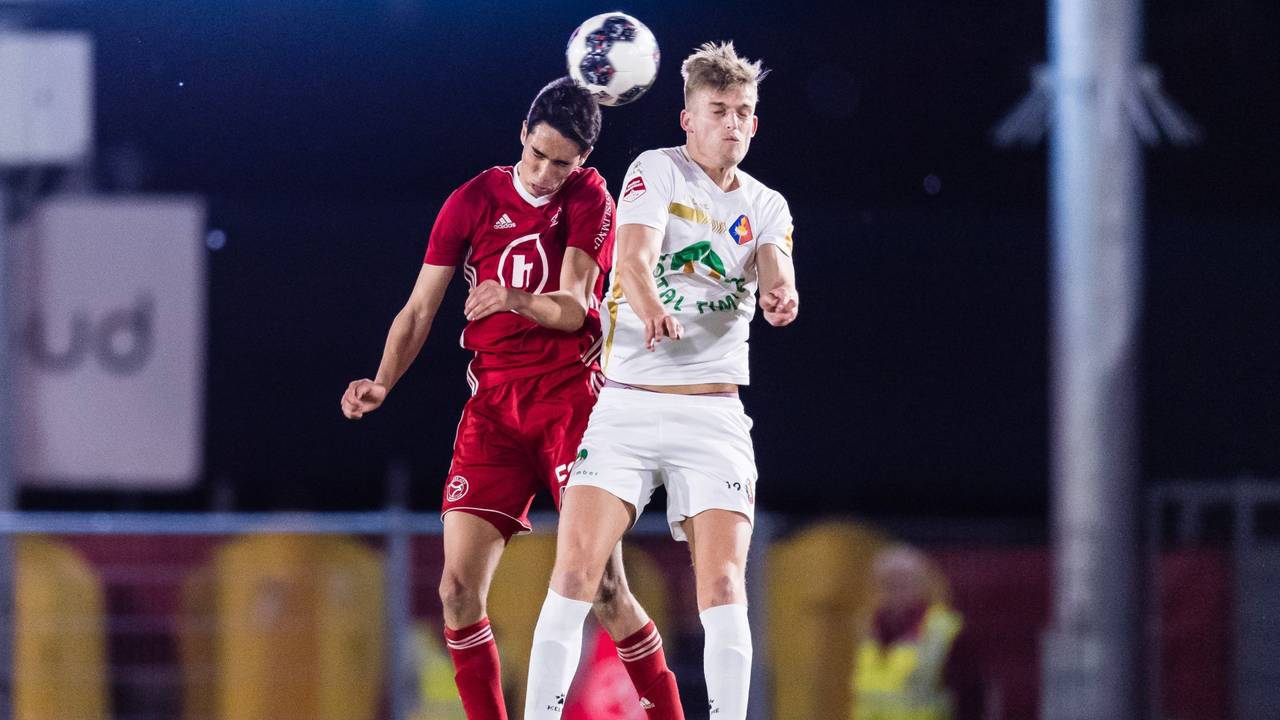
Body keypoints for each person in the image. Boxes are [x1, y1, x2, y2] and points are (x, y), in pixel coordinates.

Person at [340, 77, 684, 720]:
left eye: (563, 163)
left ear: (583, 160)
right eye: (538, 155)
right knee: (456, 591)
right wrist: (382, 380)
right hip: (494, 410)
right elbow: (418, 310)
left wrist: (513, 298)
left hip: (571, 405)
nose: (547, 173)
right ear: (522, 135)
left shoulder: (591, 197)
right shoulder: (472, 200)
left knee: (605, 588)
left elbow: (574, 305)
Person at [524, 42, 799, 720]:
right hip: (627, 409)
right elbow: (633, 260)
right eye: (718, 109)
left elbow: (775, 266)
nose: (731, 122)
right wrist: (649, 307)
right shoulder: (656, 170)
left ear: (755, 122)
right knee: (575, 573)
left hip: (714, 418)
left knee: (723, 586)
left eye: (742, 112)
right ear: (688, 119)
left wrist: (781, 294)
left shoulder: (767, 205)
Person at [849, 545, 985, 720]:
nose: (895, 589)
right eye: (887, 582)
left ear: (922, 584)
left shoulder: (945, 630)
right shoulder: (865, 628)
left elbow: (970, 699)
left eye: (904, 581)